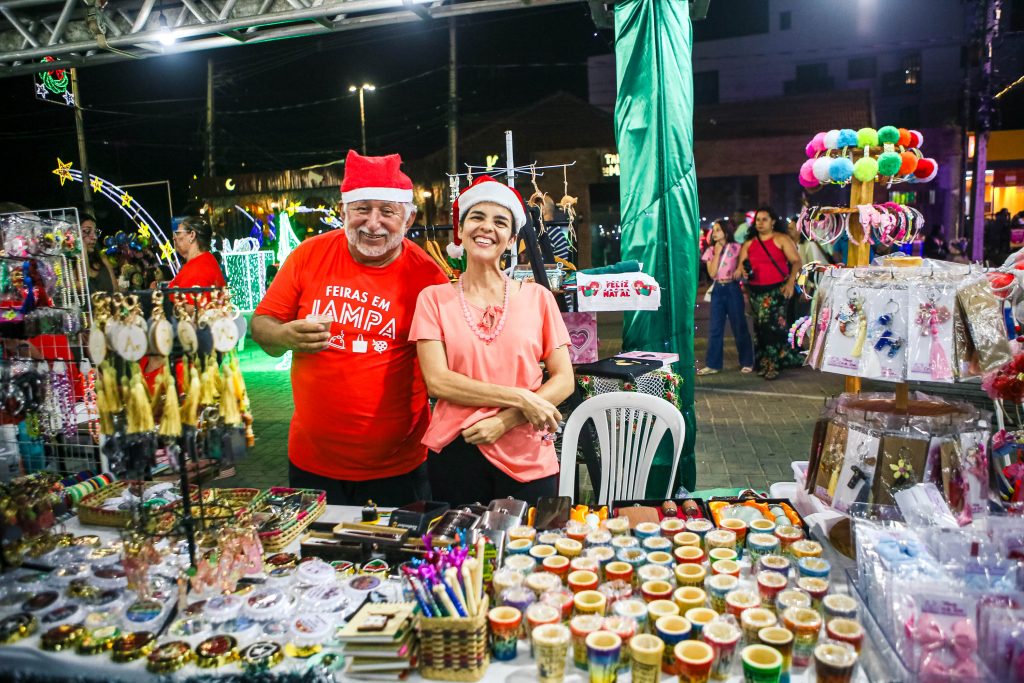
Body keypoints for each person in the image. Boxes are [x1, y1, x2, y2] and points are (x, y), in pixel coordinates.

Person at [252, 150, 449, 506]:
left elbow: (451, 364)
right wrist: (283, 336)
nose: (372, 223)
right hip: (312, 463)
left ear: (408, 218)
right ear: (342, 212)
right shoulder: (308, 256)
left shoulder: (428, 277)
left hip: (398, 469)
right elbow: (262, 325)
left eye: (387, 211)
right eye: (361, 209)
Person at [410, 176, 574, 506]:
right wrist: (521, 397)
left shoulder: (537, 298)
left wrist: (506, 419)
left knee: (529, 537)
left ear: (512, 239)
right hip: (458, 447)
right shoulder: (433, 299)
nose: (487, 227)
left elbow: (564, 379)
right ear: (460, 229)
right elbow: (438, 381)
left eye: (500, 222)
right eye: (477, 217)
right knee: (459, 539)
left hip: (527, 452)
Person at [736, 206, 802, 380]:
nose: (760, 223)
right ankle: (765, 363)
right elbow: (741, 266)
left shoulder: (781, 239)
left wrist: (790, 282)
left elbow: (796, 262)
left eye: (764, 219)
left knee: (769, 327)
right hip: (755, 292)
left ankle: (772, 365)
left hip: (775, 291)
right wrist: (743, 272)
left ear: (773, 221)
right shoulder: (749, 243)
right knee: (760, 328)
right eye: (758, 220)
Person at [697, 217, 754, 375]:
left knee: (739, 325)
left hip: (732, 288)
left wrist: (740, 268)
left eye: (718, 230)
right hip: (718, 289)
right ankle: (713, 364)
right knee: (715, 328)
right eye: (713, 230)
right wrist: (716, 253)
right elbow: (712, 273)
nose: (714, 233)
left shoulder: (736, 247)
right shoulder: (710, 251)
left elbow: (744, 262)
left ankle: (747, 361)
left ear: (726, 231)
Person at [167, 215, 227, 291]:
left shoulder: (197, 271)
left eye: (178, 233)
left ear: (192, 235)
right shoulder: (203, 261)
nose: (174, 238)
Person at [80, 213, 117, 294]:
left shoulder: (102, 259)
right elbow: (83, 285)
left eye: (95, 232)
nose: (94, 237)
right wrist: (82, 249)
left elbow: (115, 291)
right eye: (87, 231)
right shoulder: (67, 265)